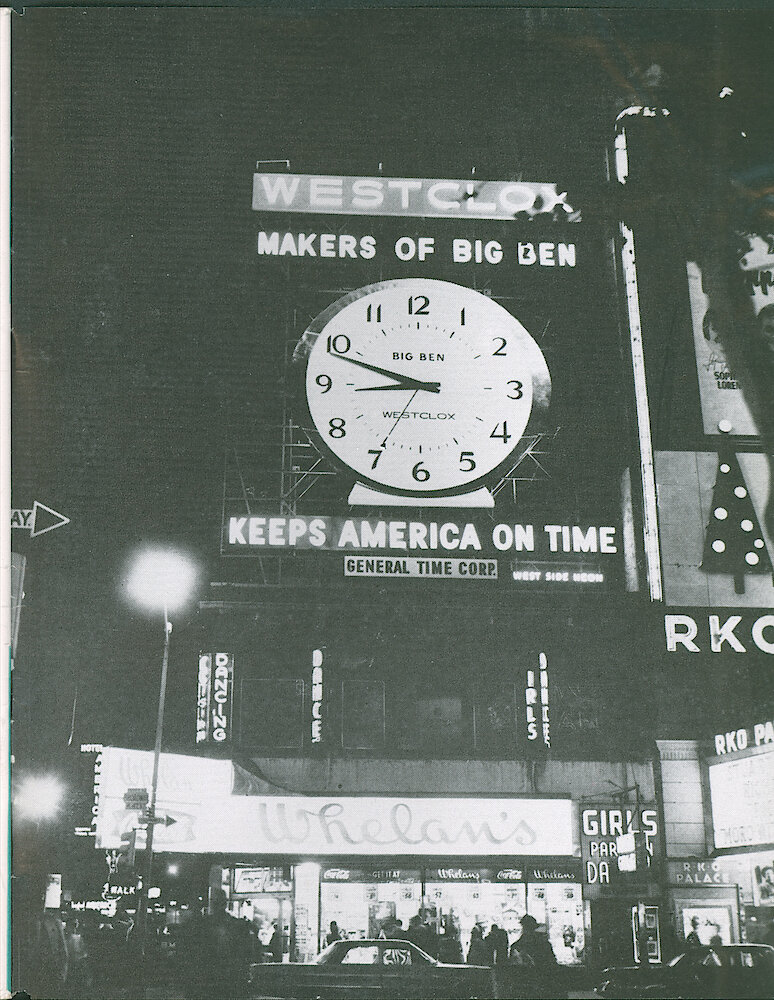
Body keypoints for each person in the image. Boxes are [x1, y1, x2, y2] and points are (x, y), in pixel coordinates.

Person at [179, 889, 252, 1000]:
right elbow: (245, 954)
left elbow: (191, 954)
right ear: (226, 903)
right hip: (227, 979)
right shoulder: (237, 925)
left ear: (212, 903)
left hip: (207, 979)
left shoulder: (202, 925)